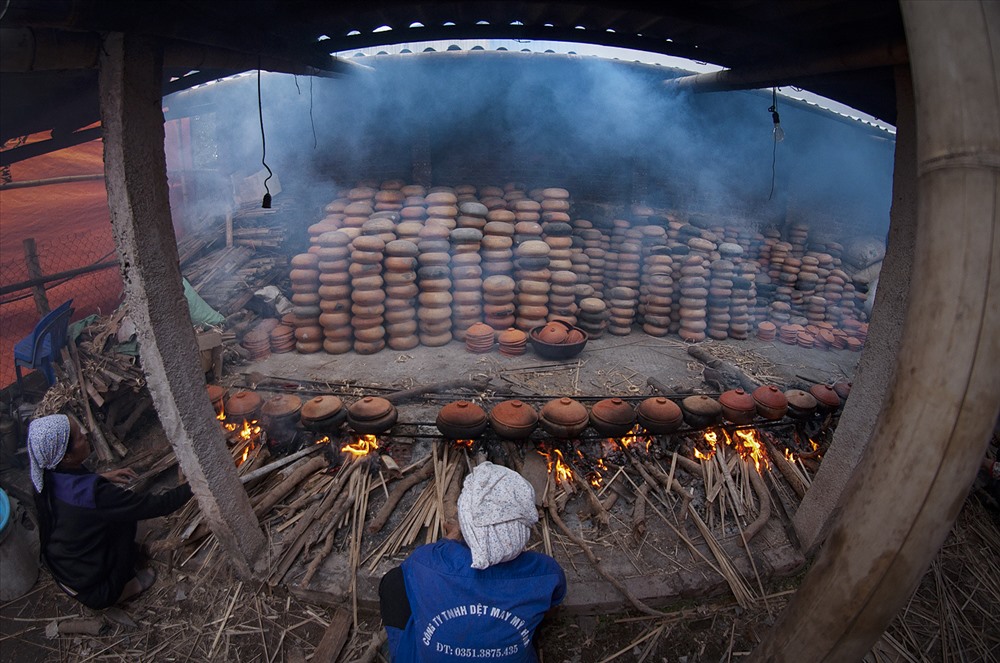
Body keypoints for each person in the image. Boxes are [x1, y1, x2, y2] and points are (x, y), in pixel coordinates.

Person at [379, 461, 566, 661]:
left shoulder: (425, 563)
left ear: (465, 522)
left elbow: (432, 559)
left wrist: (455, 534)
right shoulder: (545, 573)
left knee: (393, 582)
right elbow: (550, 609)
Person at [28, 413, 193, 609]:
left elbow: (75, 491)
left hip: (66, 572)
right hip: (94, 590)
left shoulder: (45, 476)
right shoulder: (97, 496)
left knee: (115, 516)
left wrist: (101, 477)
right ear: (66, 456)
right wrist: (196, 483)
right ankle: (127, 587)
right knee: (125, 521)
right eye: (79, 436)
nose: (86, 433)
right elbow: (158, 505)